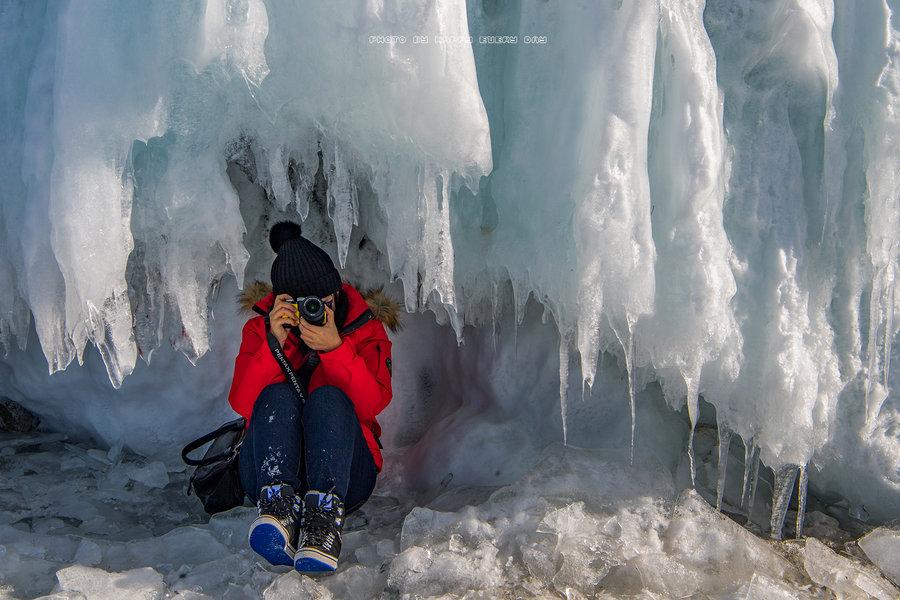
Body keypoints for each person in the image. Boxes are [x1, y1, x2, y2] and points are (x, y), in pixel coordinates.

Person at [227, 220, 399, 573]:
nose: (315, 311)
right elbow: (244, 405)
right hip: (264, 472)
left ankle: (323, 522)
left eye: (322, 302)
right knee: (275, 394)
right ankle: (277, 509)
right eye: (300, 303)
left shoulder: (366, 328)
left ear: (336, 292)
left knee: (329, 399)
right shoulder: (259, 329)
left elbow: (372, 405)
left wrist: (335, 349)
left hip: (346, 476)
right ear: (280, 302)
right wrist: (274, 342)